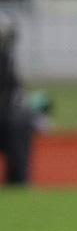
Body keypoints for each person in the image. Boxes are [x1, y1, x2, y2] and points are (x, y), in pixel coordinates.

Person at [0, 13, 39, 185]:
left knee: (22, 120)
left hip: (5, 116)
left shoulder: (6, 63)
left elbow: (16, 92)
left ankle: (19, 180)